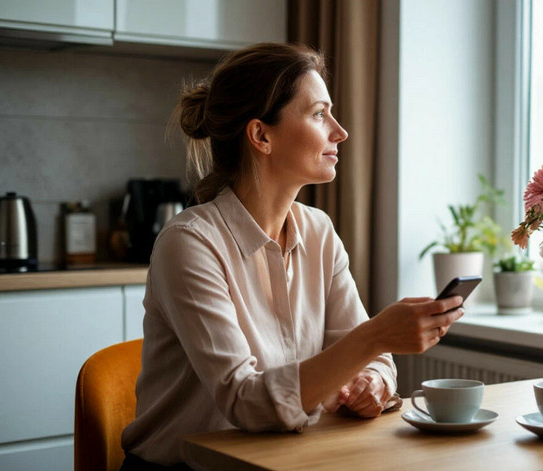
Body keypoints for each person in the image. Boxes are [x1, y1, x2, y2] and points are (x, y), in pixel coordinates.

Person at [120, 42, 465, 469]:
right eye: (320, 114)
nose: (339, 132)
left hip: (288, 459)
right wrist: (376, 335)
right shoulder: (189, 244)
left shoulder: (318, 231)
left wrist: (370, 381)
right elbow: (245, 402)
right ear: (261, 135)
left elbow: (372, 360)